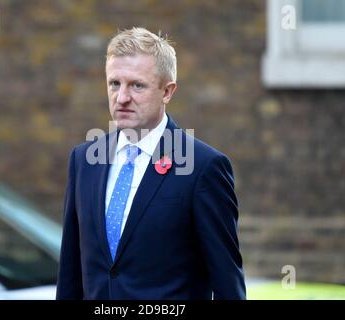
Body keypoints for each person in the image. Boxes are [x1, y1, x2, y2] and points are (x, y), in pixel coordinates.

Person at [56, 27, 246, 300]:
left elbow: (228, 285)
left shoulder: (203, 168)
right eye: (114, 84)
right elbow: (70, 276)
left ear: (167, 92)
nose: (122, 98)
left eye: (137, 85)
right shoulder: (84, 160)